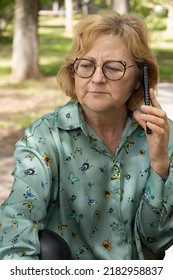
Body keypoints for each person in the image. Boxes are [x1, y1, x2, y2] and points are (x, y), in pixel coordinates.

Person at [0, 10, 173, 260]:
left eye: (114, 68)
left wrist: (159, 167)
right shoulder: (45, 137)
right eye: (86, 65)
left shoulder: (162, 136)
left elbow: (156, 242)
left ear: (139, 80)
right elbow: (15, 226)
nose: (97, 78)